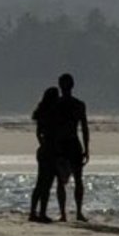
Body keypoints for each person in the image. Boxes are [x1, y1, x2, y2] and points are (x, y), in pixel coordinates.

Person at [52, 73, 90, 222]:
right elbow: (85, 128)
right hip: (72, 143)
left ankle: (64, 214)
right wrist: (86, 148)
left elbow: (51, 127)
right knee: (77, 179)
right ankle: (77, 212)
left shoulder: (57, 104)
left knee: (62, 181)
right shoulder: (78, 105)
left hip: (63, 144)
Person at [29, 87, 60, 223]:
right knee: (46, 184)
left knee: (40, 182)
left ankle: (33, 212)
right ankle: (42, 212)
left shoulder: (41, 113)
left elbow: (38, 133)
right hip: (51, 150)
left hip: (43, 149)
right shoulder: (54, 113)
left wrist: (43, 143)